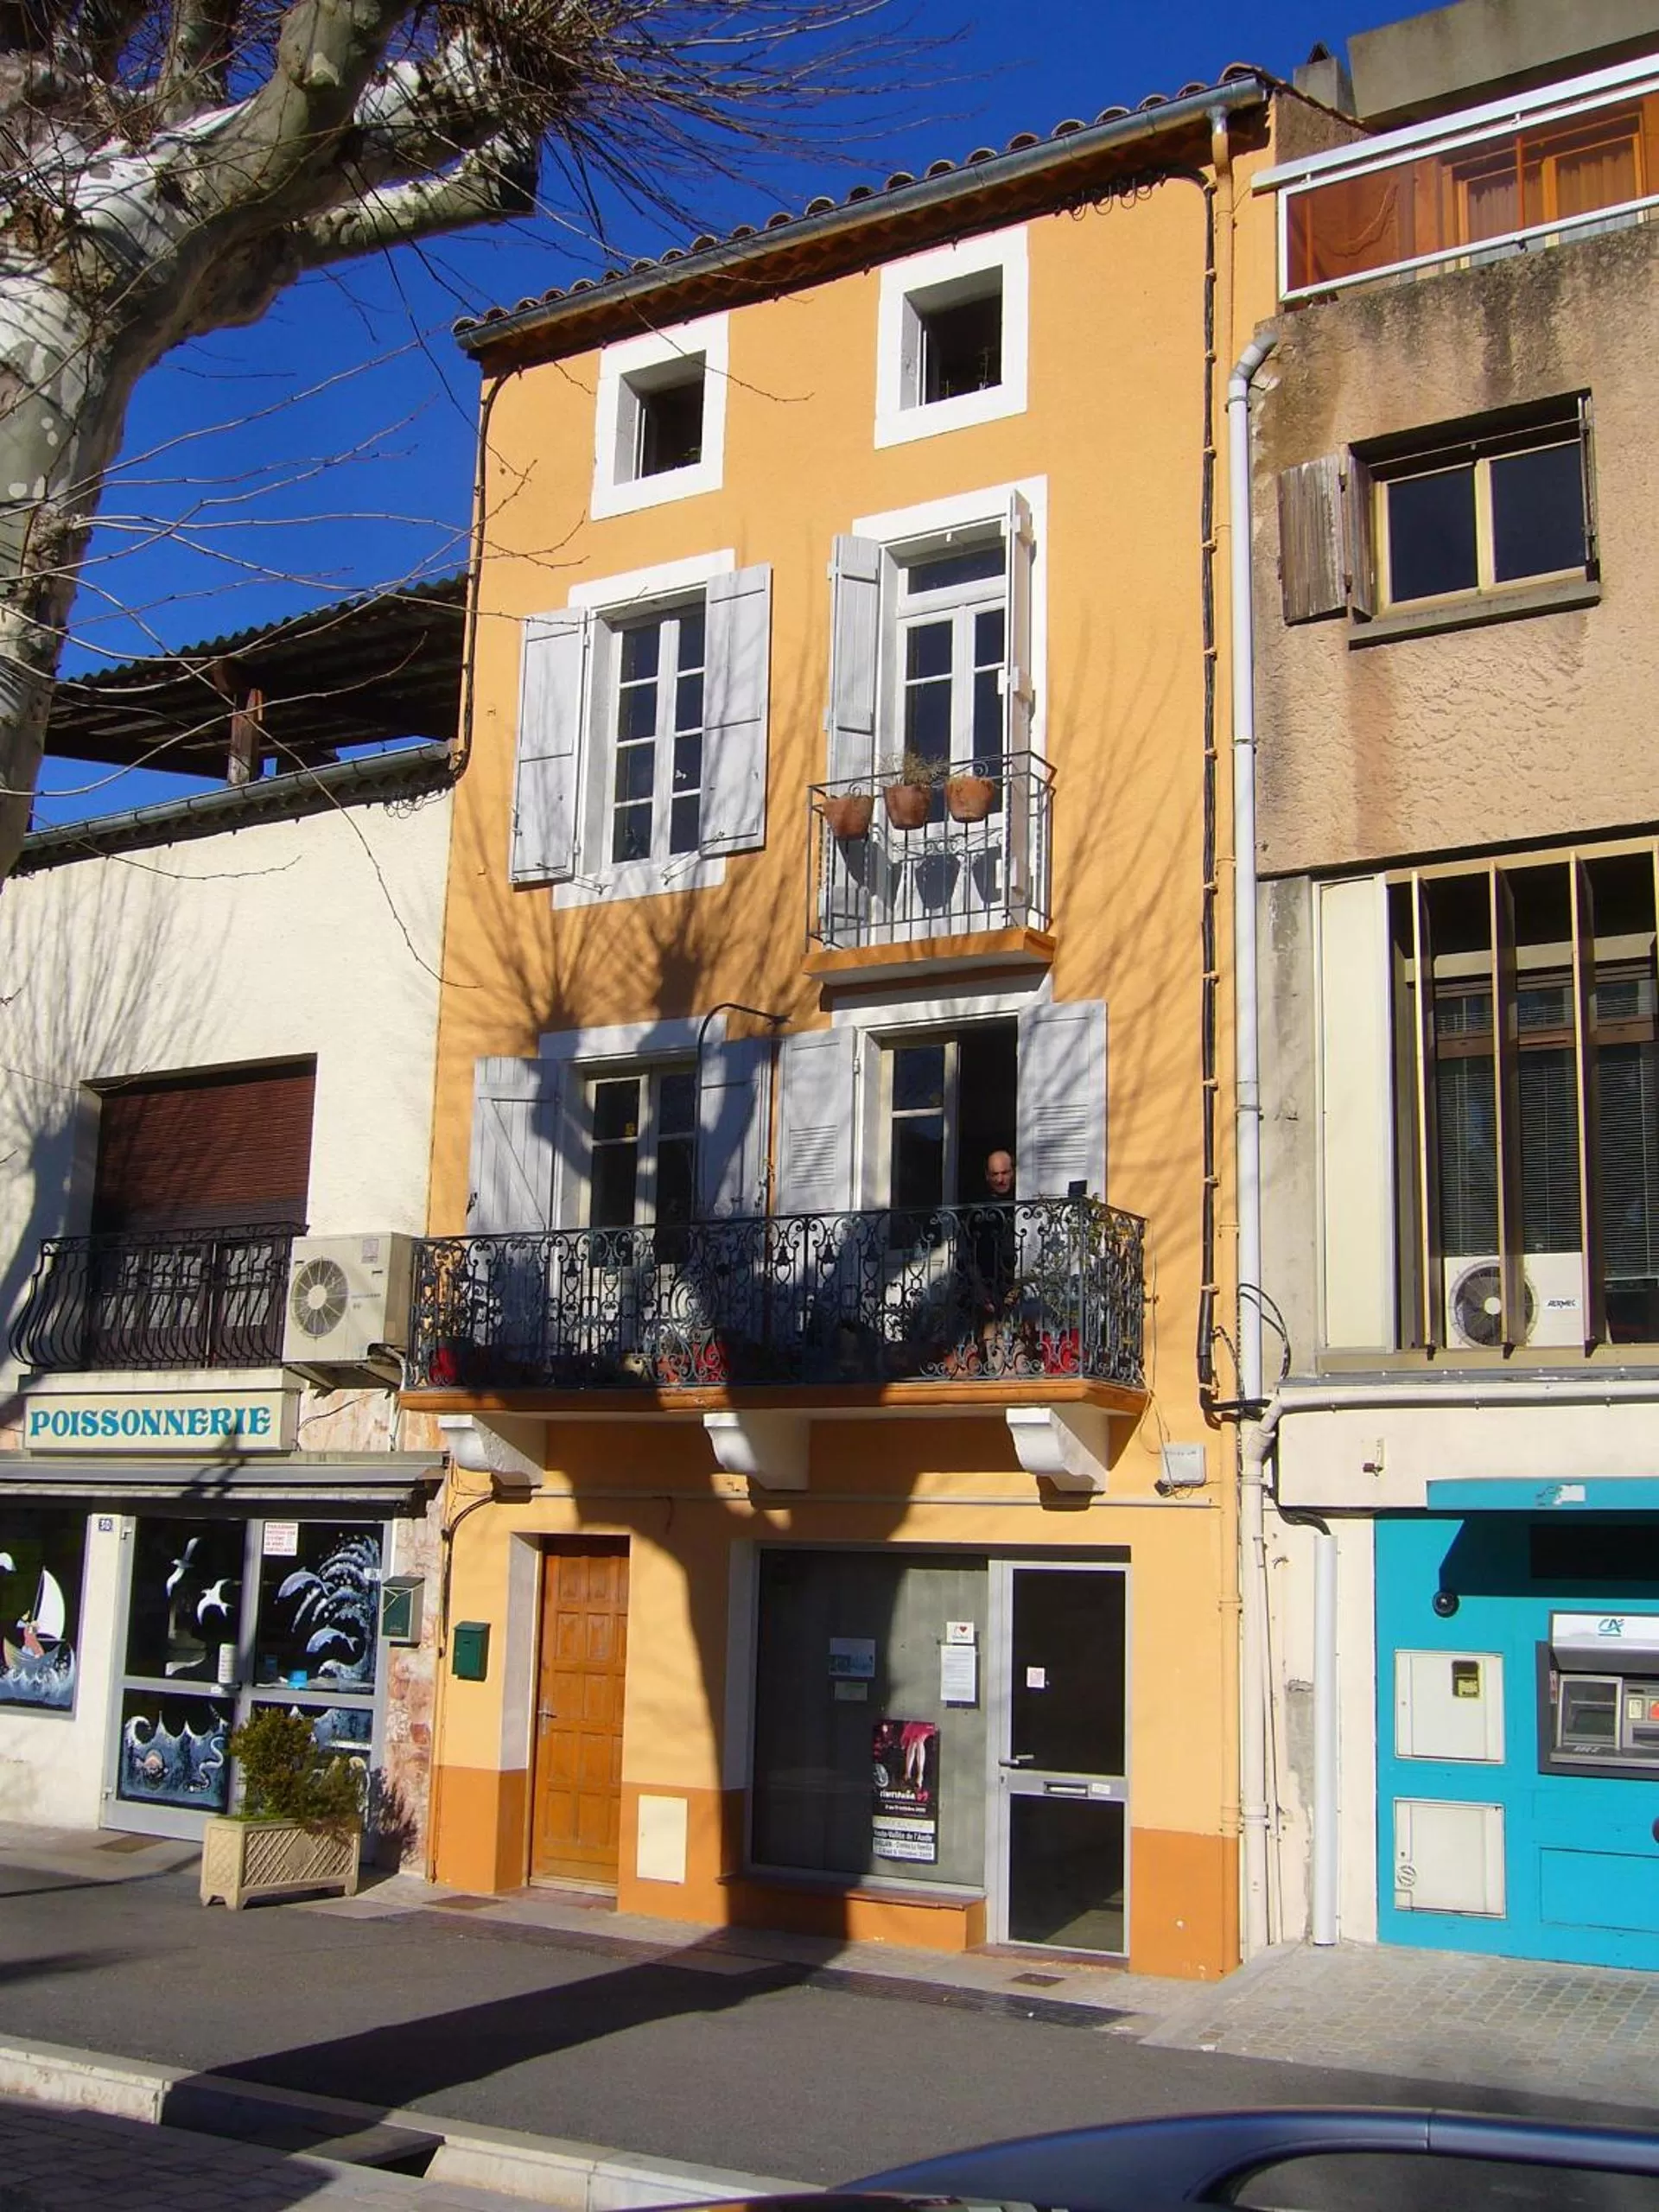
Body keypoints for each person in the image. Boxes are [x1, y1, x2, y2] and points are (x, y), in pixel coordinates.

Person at [963, 1148, 1020, 1371]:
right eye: (995, 1174)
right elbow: (969, 1253)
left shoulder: (1024, 1196)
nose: (1000, 1179)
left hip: (1017, 1281)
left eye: (1005, 1173)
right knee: (989, 1332)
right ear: (987, 1176)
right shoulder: (979, 1207)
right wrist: (979, 1288)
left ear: (1014, 1172)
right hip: (987, 1281)